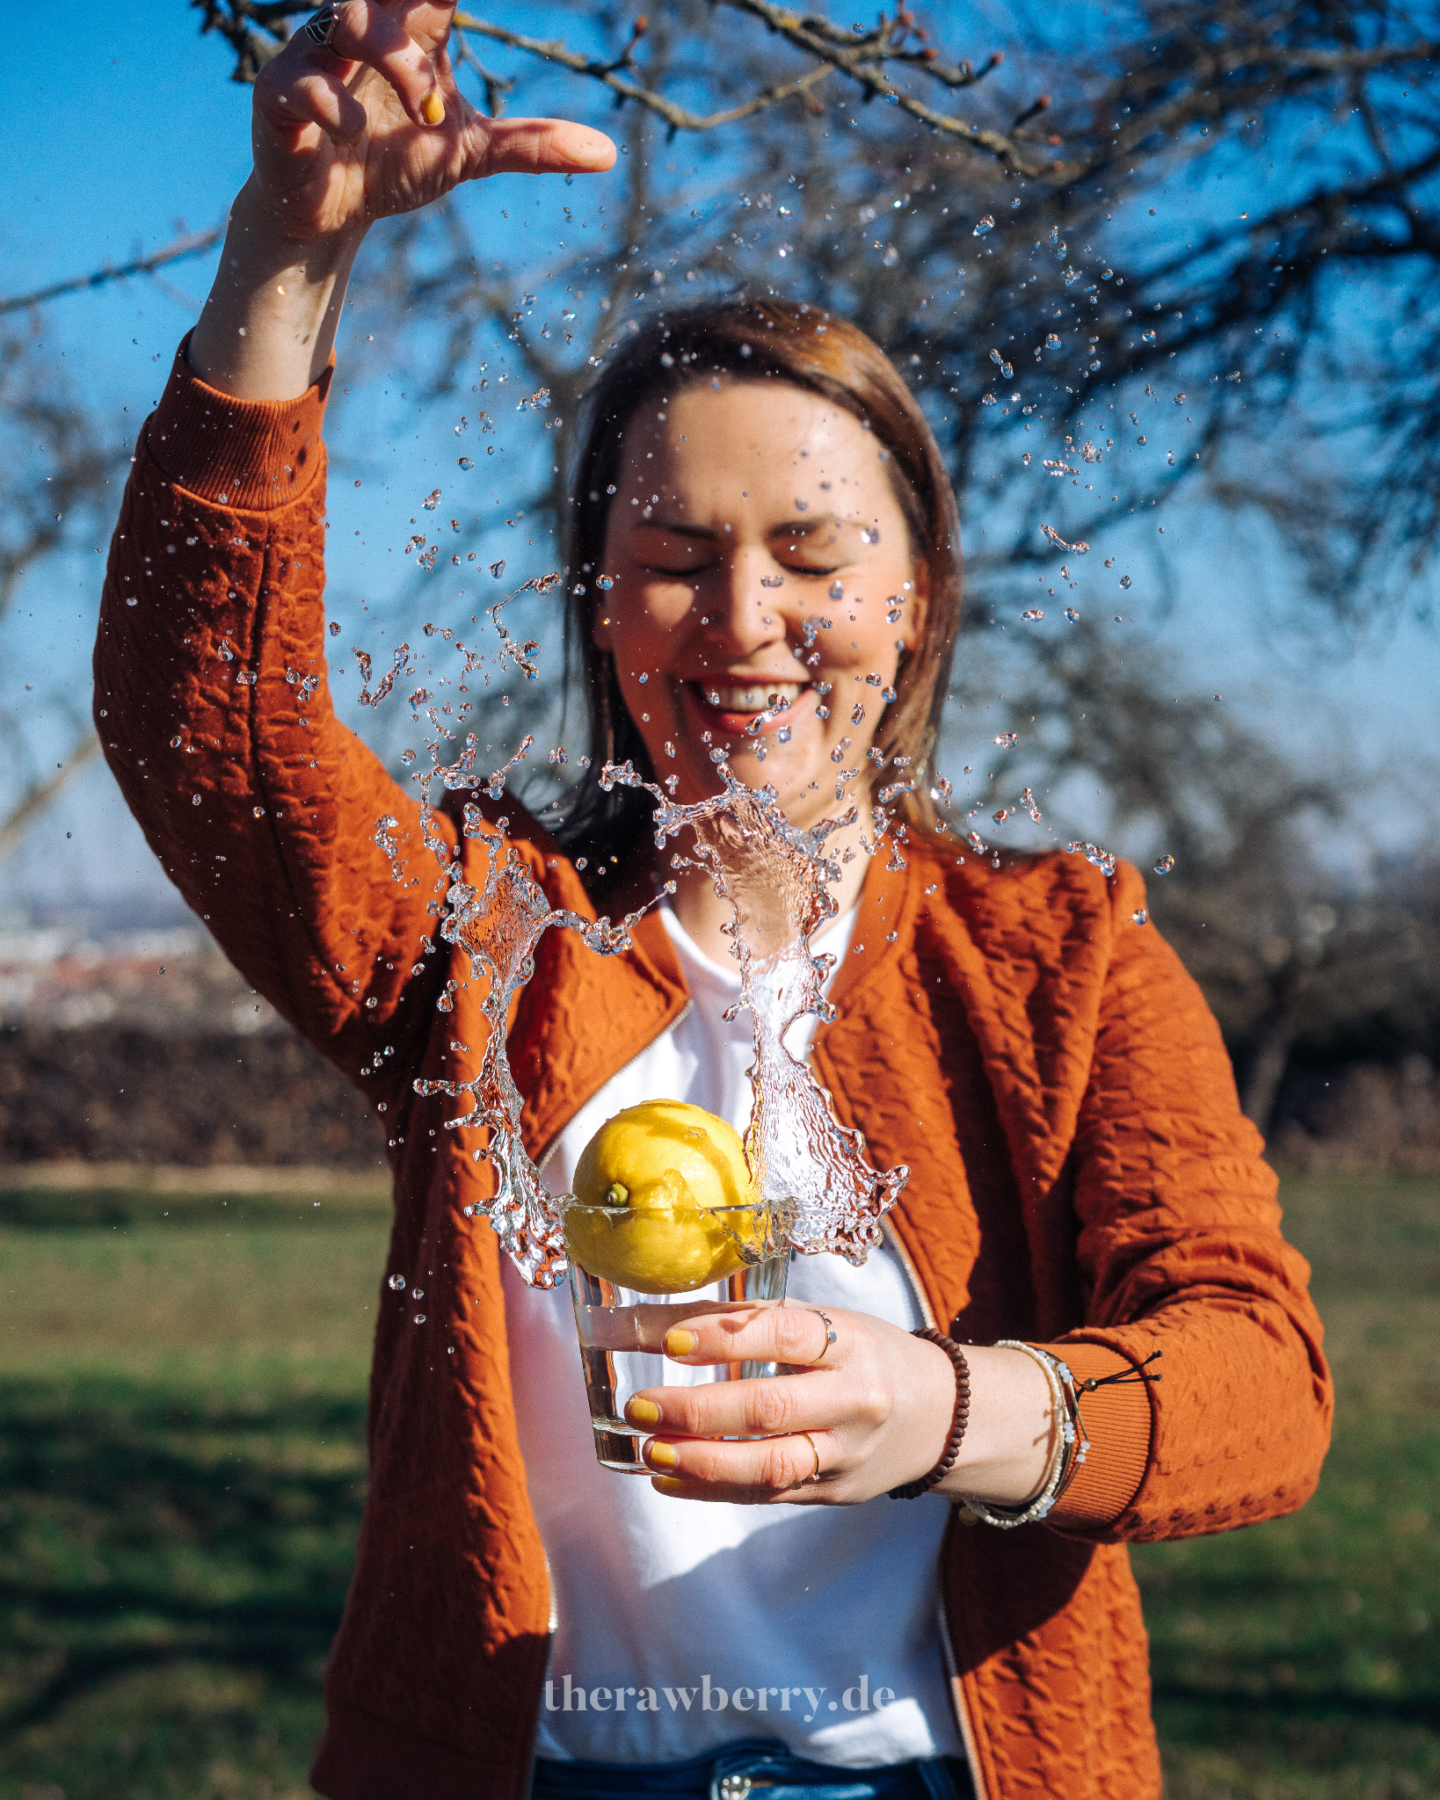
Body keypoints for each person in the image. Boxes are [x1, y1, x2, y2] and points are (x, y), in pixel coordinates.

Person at [94, 5, 1332, 1797]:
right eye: (674, 562)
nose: (745, 622)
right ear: (601, 602)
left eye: (816, 558)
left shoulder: (1060, 958)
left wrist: (943, 1413)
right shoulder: (480, 938)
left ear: (916, 598)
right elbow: (205, 726)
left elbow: (1259, 1377)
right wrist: (287, 256)